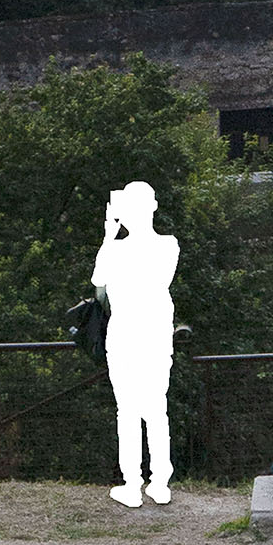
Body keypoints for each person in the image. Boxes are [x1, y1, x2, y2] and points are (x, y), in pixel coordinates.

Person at [92, 177, 181, 508]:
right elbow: (101, 279)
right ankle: (157, 482)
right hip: (150, 335)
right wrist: (111, 239)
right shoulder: (167, 245)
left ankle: (135, 483)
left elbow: (99, 283)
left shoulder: (133, 249)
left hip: (131, 336)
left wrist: (109, 238)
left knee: (130, 410)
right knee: (154, 409)